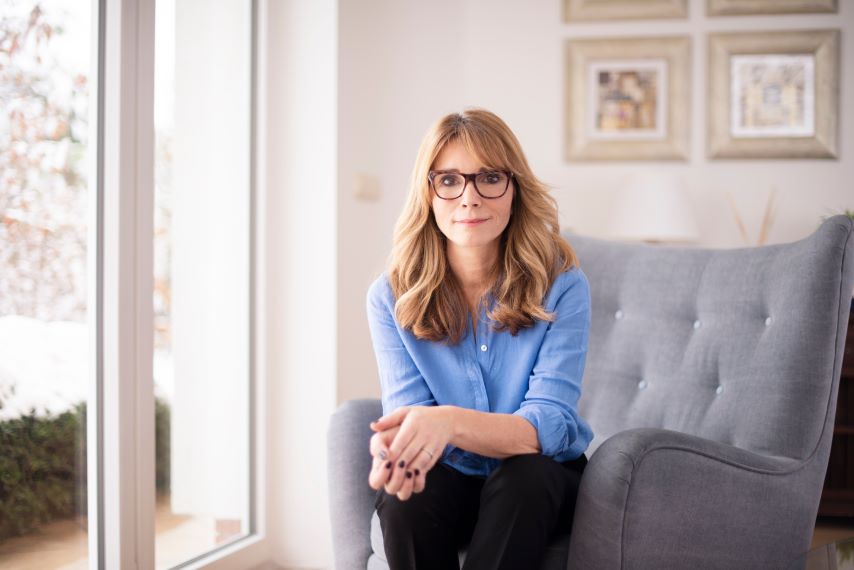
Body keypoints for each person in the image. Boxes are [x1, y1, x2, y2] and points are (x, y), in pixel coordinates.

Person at [365, 108, 594, 570]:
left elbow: (548, 424)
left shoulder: (563, 285)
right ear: (428, 193)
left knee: (524, 479)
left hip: (542, 482)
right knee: (405, 497)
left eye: (489, 177)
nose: (469, 198)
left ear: (514, 189)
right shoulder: (390, 297)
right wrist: (398, 450)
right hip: (454, 480)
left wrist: (448, 422)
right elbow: (411, 417)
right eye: (449, 180)